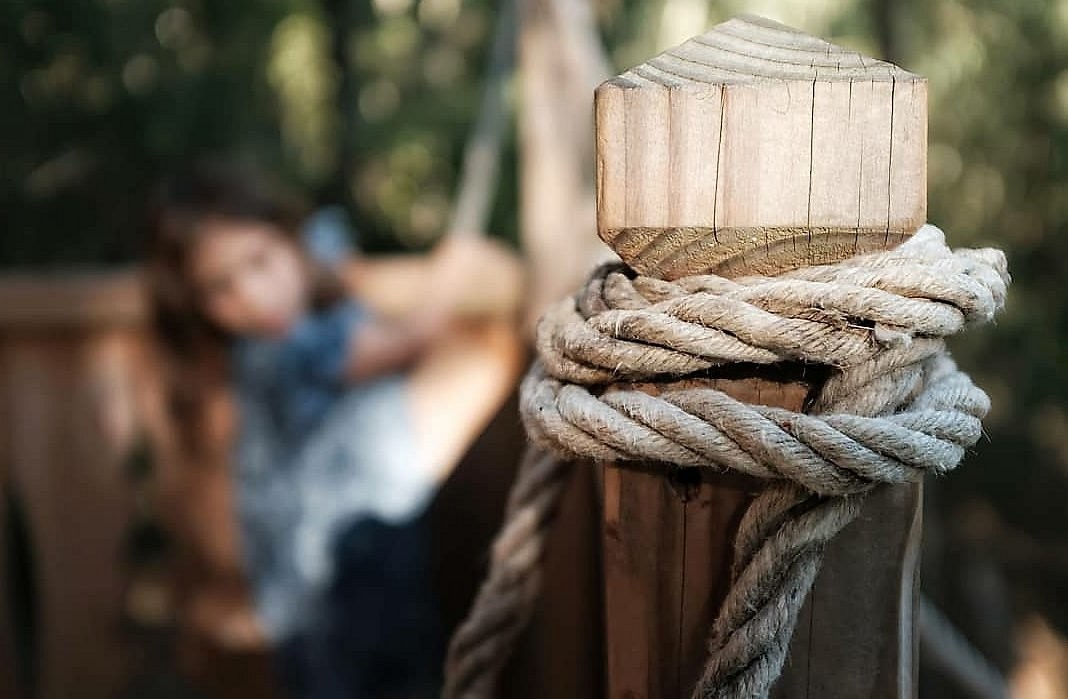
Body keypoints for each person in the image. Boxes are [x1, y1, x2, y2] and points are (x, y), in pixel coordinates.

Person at [145, 160, 448, 698]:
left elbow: (328, 232)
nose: (254, 297)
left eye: (260, 261)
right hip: (327, 599)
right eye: (221, 289)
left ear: (289, 241)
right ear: (197, 309)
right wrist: (461, 270)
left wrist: (316, 258)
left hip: (377, 566)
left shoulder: (315, 315)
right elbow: (409, 343)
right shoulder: (280, 353)